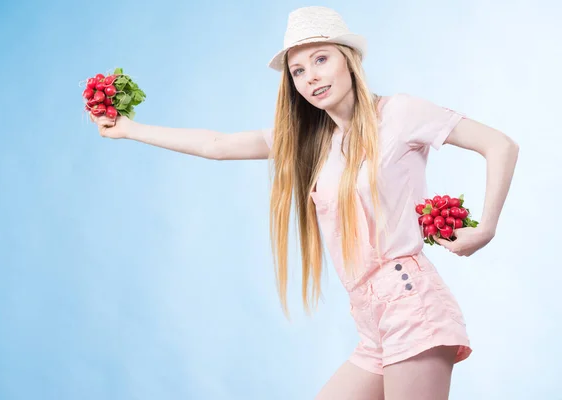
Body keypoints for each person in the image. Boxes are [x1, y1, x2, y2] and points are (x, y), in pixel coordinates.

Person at [90, 6, 519, 400]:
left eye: (320, 59)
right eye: (297, 70)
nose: (310, 76)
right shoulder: (312, 143)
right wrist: (129, 129)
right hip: (370, 318)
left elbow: (500, 145)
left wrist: (486, 228)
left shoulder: (400, 113)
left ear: (347, 59)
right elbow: (216, 145)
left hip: (411, 302)